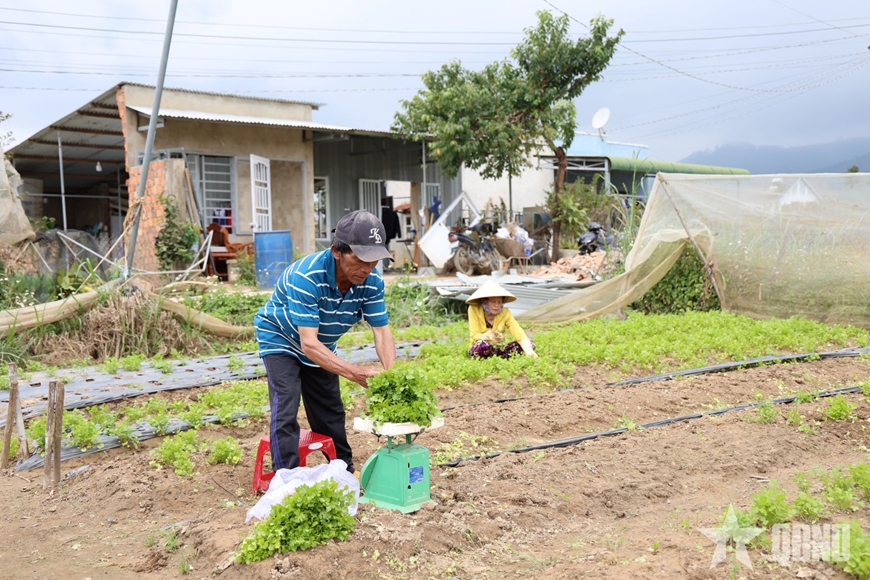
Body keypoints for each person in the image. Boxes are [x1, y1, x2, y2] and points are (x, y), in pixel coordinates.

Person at [254, 210, 397, 474]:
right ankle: (287, 480)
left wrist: (390, 379)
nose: (367, 268)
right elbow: (307, 344)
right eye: (361, 259)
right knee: (286, 406)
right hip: (282, 339)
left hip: (321, 346)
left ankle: (343, 471)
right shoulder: (307, 276)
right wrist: (354, 372)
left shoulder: (371, 281)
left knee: (330, 411)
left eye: (375, 260)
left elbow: (381, 332)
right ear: (337, 251)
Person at [466, 280, 538, 359]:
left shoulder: (505, 312)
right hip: (481, 347)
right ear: (484, 301)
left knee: (530, 344)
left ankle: (500, 356)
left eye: (499, 302)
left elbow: (518, 333)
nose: (496, 305)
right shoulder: (474, 309)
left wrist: (529, 351)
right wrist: (487, 336)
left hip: (499, 348)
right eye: (493, 302)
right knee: (483, 345)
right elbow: (474, 335)